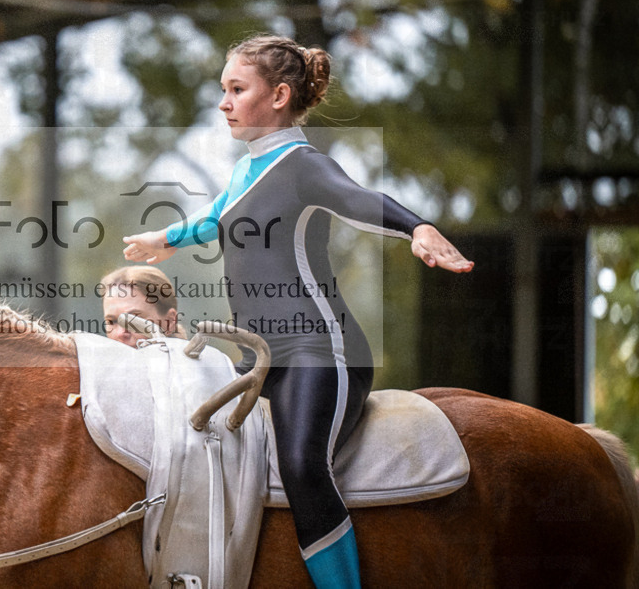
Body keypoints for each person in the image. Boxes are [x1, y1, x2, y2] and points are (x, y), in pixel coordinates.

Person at [122, 34, 473, 589]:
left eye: (237, 89)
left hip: (322, 351)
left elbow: (360, 200)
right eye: (223, 90)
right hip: (258, 360)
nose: (224, 103)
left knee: (304, 466)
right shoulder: (246, 172)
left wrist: (418, 227)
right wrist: (163, 238)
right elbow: (214, 219)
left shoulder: (304, 165)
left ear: (280, 95)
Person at [99, 265, 185, 347]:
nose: (121, 333)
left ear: (169, 321)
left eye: (133, 319)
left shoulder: (188, 362)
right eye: (112, 321)